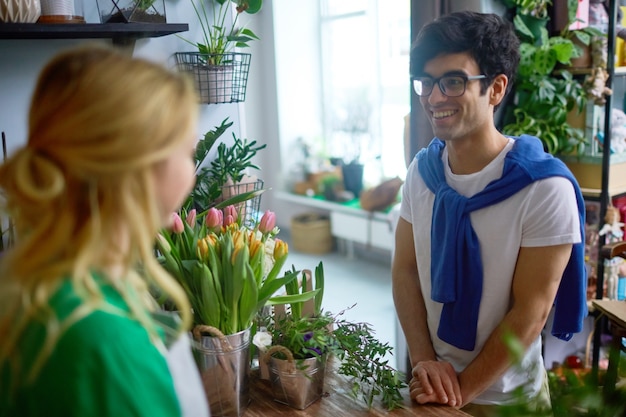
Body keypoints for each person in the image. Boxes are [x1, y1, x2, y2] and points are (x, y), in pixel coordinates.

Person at [392, 11, 587, 416]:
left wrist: (457, 395)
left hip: (510, 401)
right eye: (426, 82)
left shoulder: (544, 188)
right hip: (432, 386)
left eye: (453, 81)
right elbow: (405, 271)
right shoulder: (421, 174)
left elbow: (530, 313)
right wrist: (425, 361)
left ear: (496, 88)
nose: (433, 97)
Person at [0, 45, 210, 417]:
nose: (192, 172)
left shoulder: (36, 283)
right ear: (139, 167)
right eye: (188, 151)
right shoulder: (104, 343)